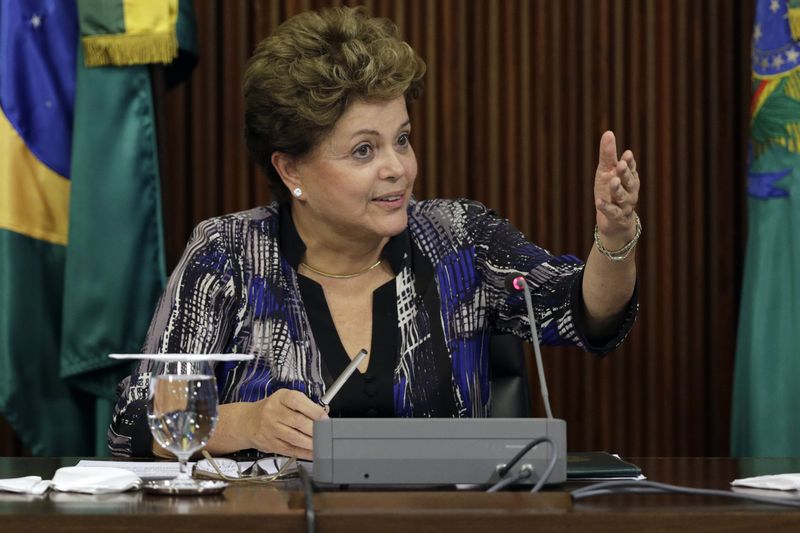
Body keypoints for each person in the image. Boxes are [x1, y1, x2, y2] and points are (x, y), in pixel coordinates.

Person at [108, 6, 640, 460]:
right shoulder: (228, 255)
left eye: (402, 140)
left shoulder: (456, 238)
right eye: (364, 150)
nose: (397, 169)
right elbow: (132, 422)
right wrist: (241, 424)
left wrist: (614, 238)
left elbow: (581, 309)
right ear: (292, 171)